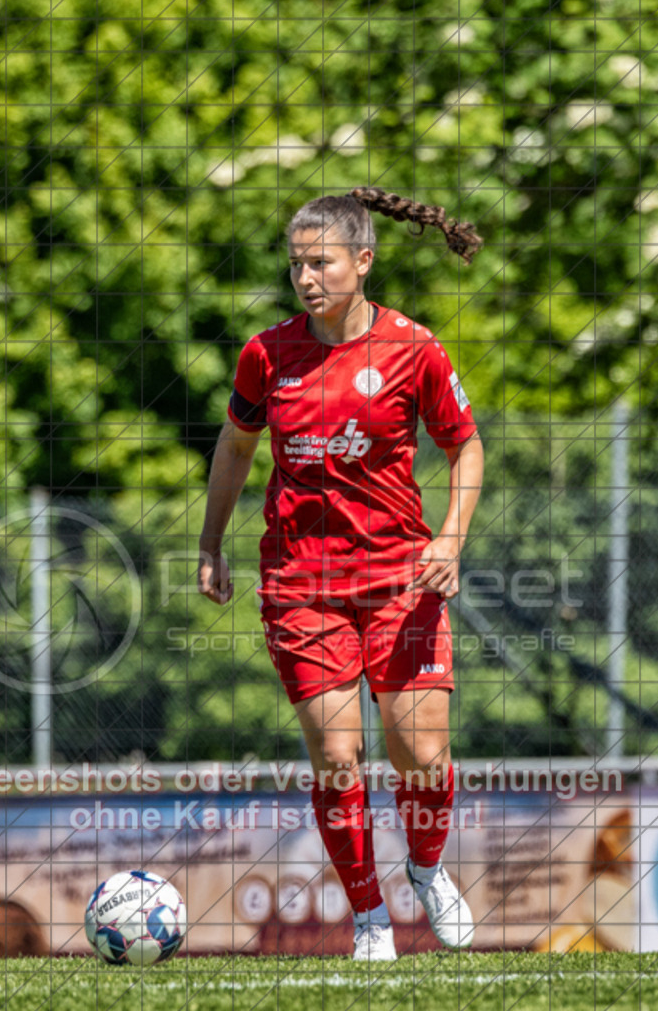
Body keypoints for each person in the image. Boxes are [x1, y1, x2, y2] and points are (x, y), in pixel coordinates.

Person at [198, 187, 485, 962]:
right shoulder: (267, 353)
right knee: (336, 755)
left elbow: (465, 448)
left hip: (401, 579)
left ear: (363, 261)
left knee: (421, 755)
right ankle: (367, 918)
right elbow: (233, 446)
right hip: (300, 584)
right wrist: (210, 543)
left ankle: (425, 870)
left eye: (319, 262)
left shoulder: (413, 349)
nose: (304, 278)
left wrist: (450, 541)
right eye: (295, 264)